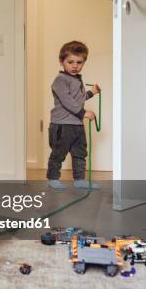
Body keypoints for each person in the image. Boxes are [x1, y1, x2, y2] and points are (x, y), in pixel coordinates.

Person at [47, 41, 100, 190]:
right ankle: (52, 178)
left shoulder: (77, 79)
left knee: (80, 153)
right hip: (62, 125)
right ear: (61, 62)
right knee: (58, 153)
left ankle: (79, 180)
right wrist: (84, 113)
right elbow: (67, 100)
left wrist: (92, 92)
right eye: (70, 62)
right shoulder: (60, 80)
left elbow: (78, 98)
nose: (75, 66)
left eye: (79, 62)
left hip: (76, 124)